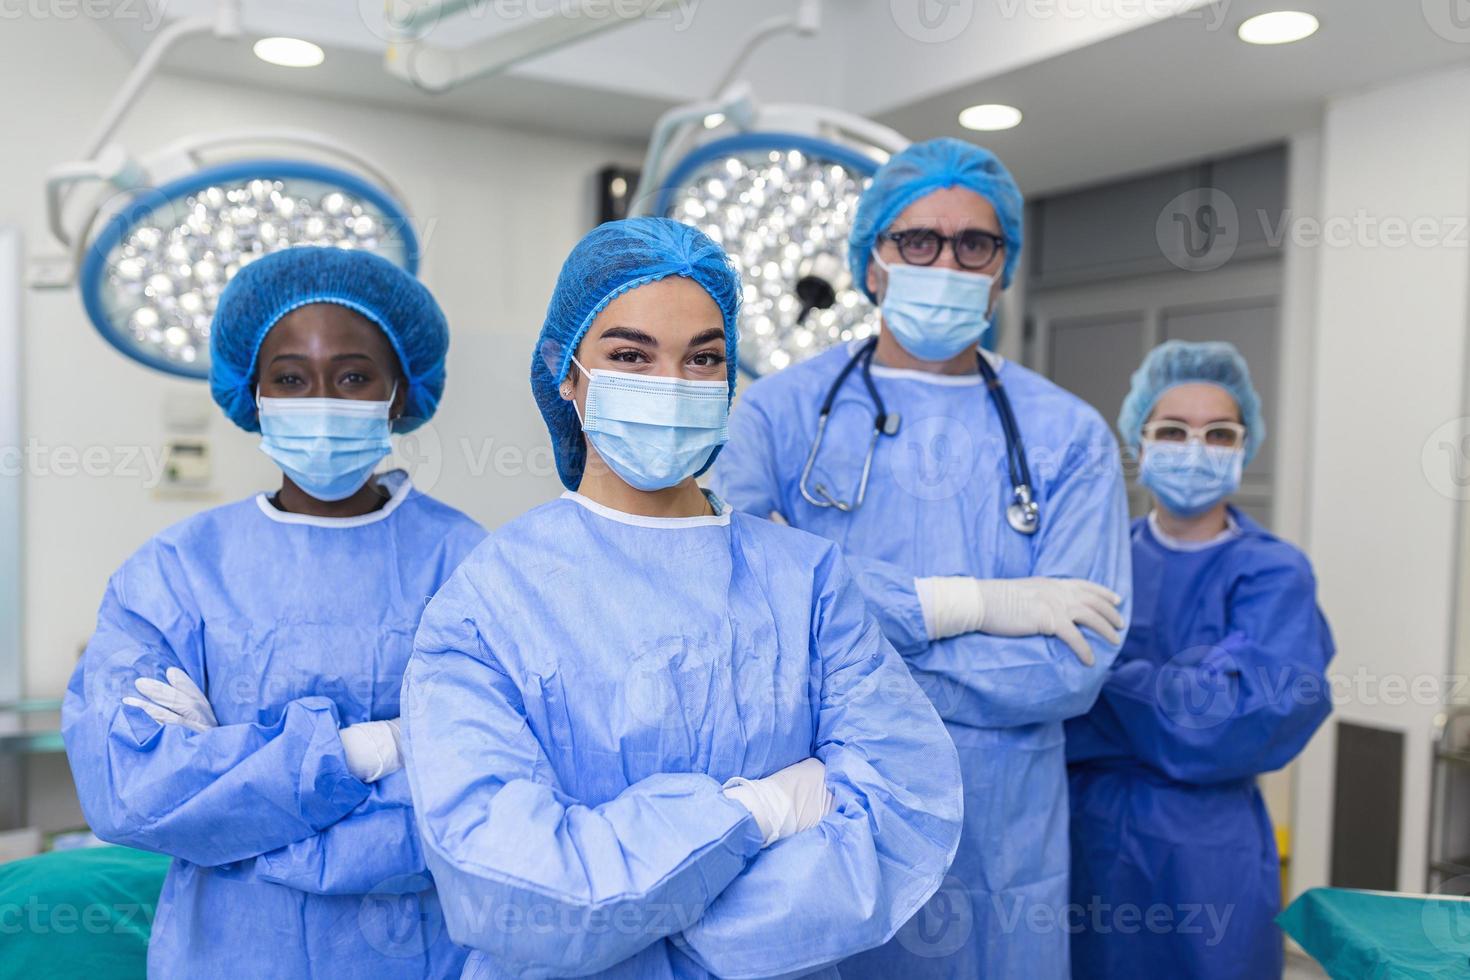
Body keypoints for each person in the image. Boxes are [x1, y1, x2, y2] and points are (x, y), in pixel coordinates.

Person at [400, 217, 963, 979]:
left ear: (729, 383)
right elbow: (510, 884)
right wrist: (758, 811)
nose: (670, 386)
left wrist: (641, 915)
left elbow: (902, 808)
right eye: (631, 355)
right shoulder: (489, 600)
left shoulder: (808, 583)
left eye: (702, 358)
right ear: (565, 374)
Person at [711, 137, 1131, 977]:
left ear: (1002, 268)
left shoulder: (1070, 436)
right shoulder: (777, 416)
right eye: (917, 241)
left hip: (999, 838)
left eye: (975, 243)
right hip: (829, 815)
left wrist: (849, 674)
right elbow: (741, 593)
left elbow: (1071, 665)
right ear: (872, 263)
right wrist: (975, 608)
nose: (947, 260)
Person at [61, 247, 486, 979]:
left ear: (400, 391)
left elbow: (486, 790)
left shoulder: (468, 564)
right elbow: (128, 790)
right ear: (252, 393)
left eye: (353, 375)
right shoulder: (177, 572)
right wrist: (373, 749)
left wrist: (231, 794)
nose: (319, 398)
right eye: (290, 378)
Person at [1065, 340, 1334, 978]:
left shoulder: (1273, 572)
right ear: (1138, 442)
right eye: (1172, 431)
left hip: (1209, 850)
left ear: (1244, 446)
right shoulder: (1092, 561)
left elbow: (1234, 726)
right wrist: (1168, 698)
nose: (1195, 449)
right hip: (1086, 836)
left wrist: (1103, 684)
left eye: (1218, 433)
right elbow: (1044, 696)